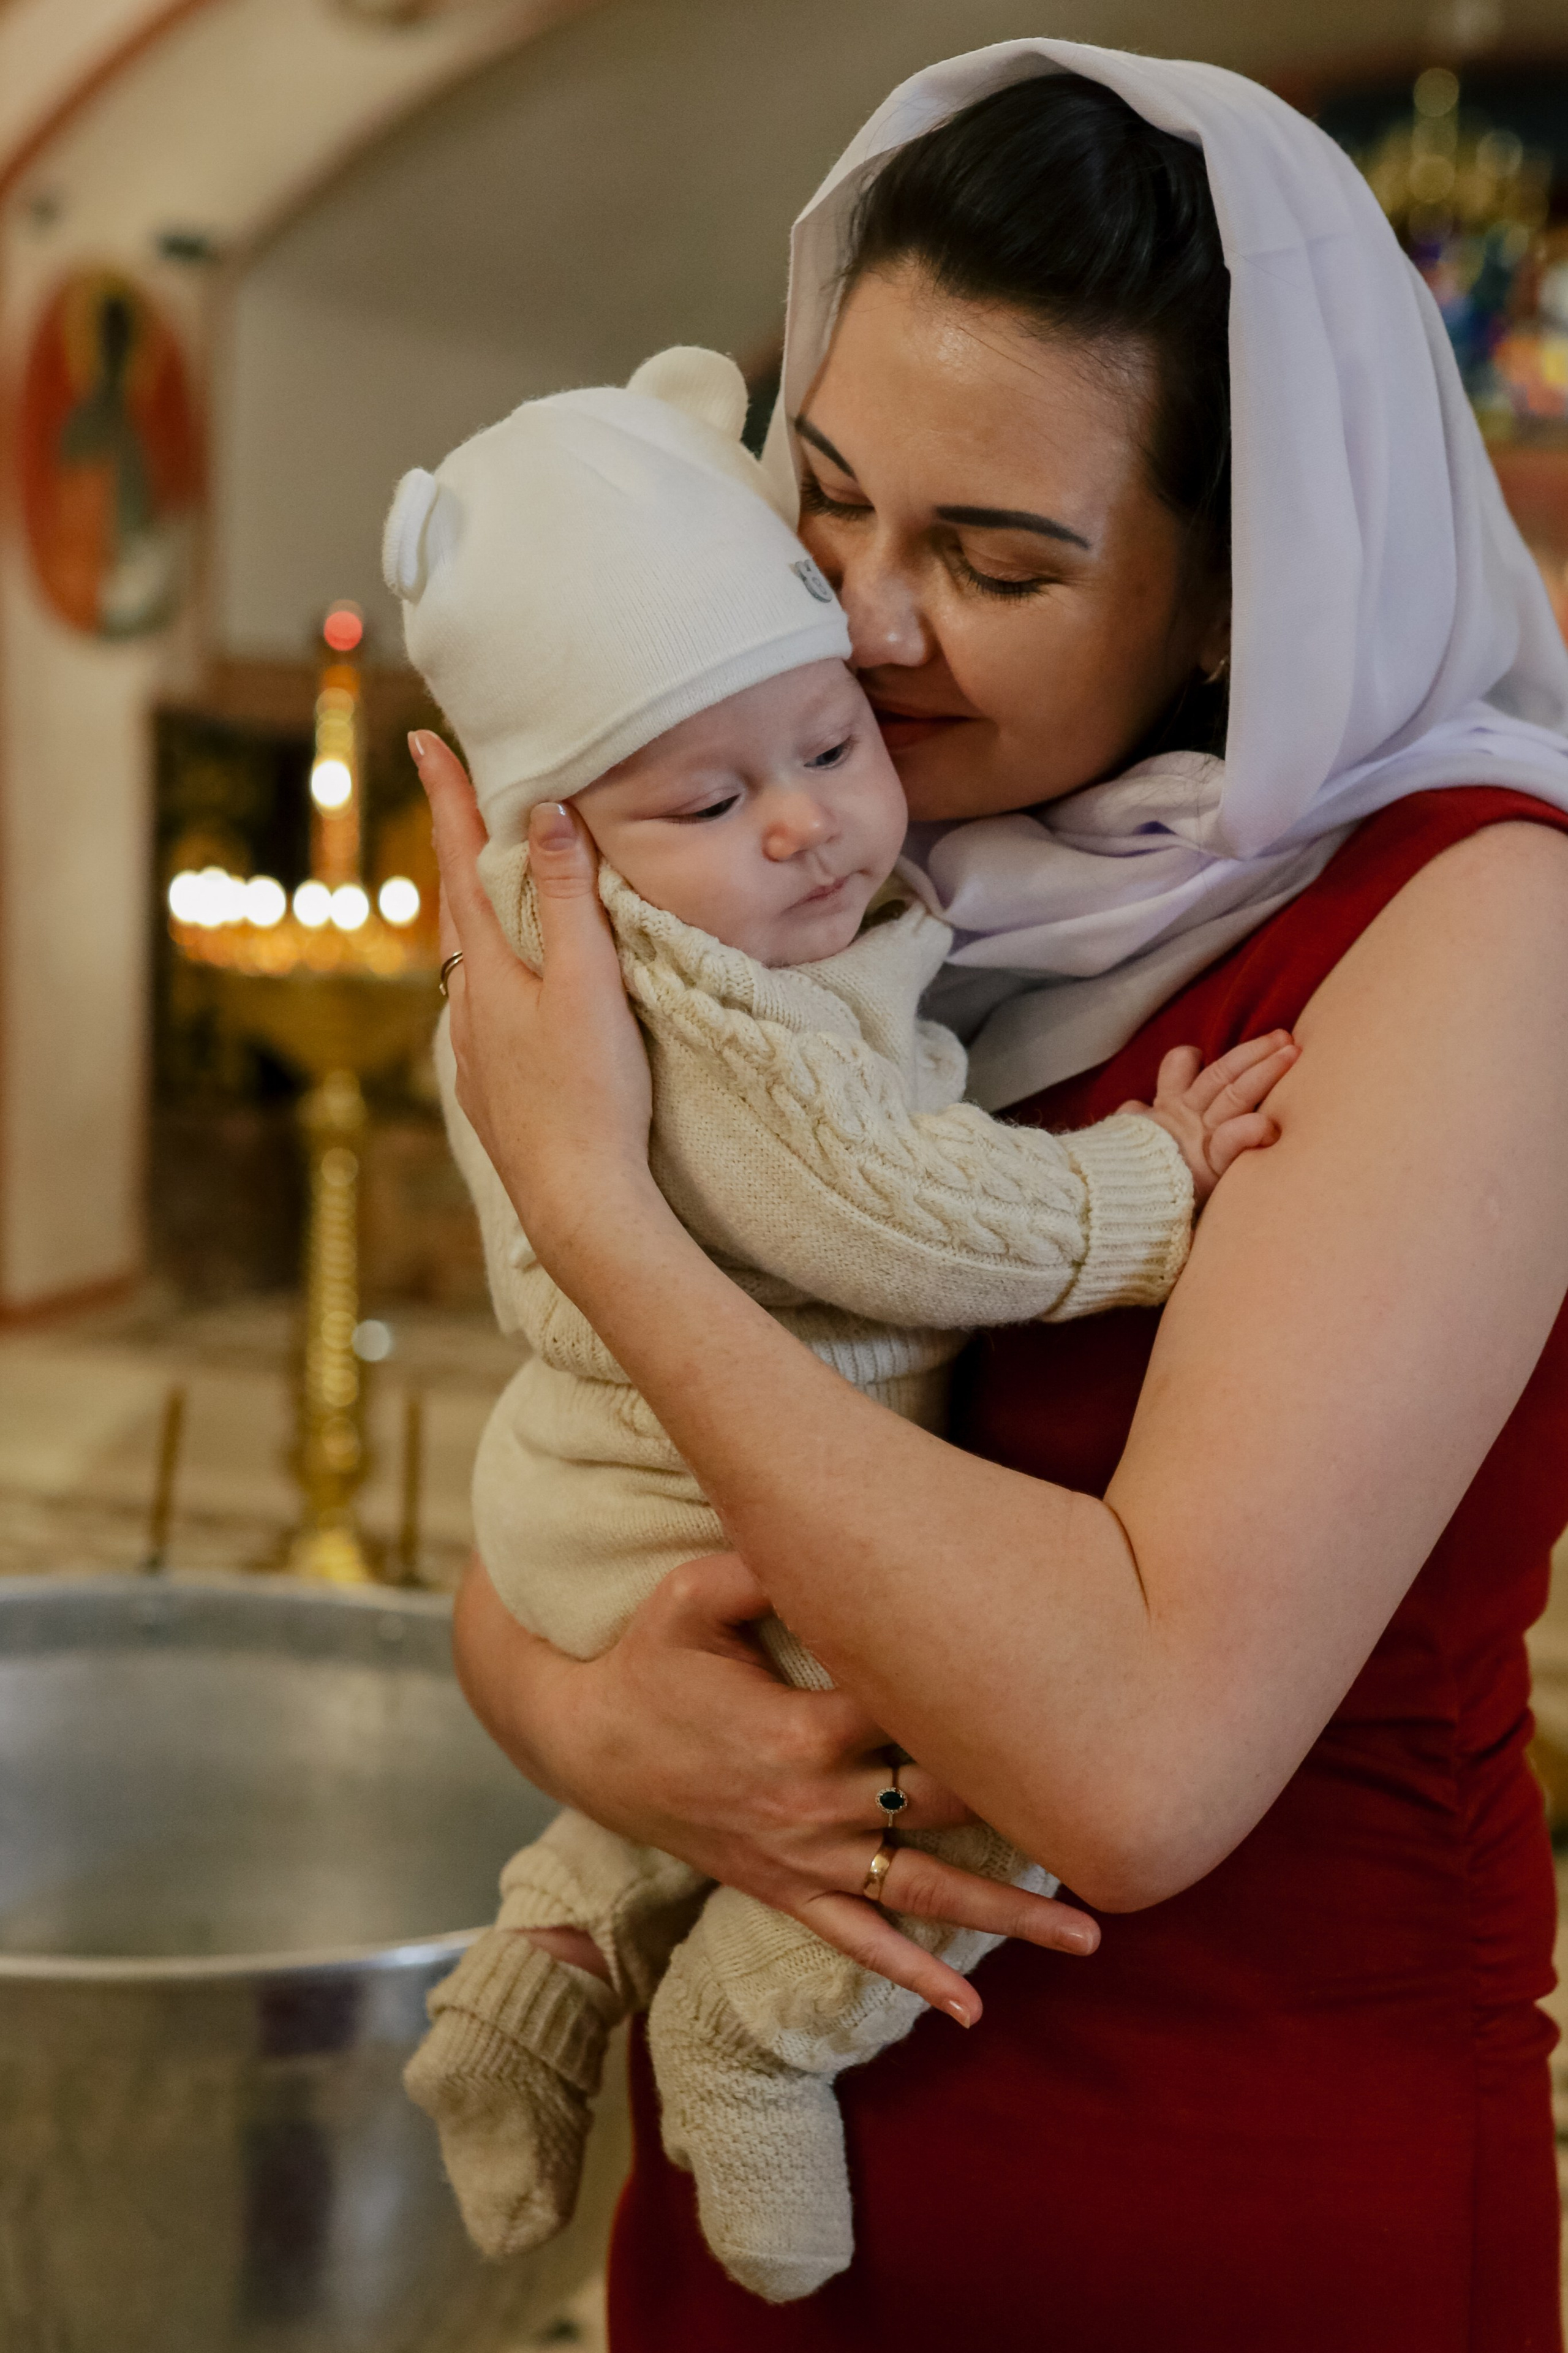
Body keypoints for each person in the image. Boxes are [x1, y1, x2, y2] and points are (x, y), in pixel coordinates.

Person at [417, 45, 1568, 2352]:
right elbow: (566, 1505)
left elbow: (1136, 1760)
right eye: (825, 499)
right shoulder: (806, 840)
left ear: (1247, 594)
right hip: (764, 2202)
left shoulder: (1474, 921)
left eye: (995, 557)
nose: (858, 620)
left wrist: (609, 1210)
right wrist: (589, 1729)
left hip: (1213, 2203)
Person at [383, 344, 1292, 2300]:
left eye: (829, 748)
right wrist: (1141, 1191)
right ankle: (751, 2030)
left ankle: (534, 1980)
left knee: (691, 1792)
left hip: (599, 1498)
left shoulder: (649, 926)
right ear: (560, 841)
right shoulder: (691, 1002)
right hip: (685, 1507)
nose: (805, 827)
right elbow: (884, 1206)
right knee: (976, 1786)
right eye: (714, 797)